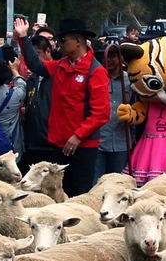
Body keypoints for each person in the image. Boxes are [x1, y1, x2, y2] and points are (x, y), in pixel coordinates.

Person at [15, 16, 111, 196]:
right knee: (58, 191)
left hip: (83, 146)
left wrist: (77, 136)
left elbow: (101, 113)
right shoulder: (61, 65)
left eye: (63, 40)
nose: (59, 44)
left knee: (80, 192)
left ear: (78, 40)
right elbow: (36, 65)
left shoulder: (95, 71)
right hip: (59, 143)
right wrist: (23, 38)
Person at [96, 42, 134, 179]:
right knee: (96, 182)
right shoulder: (97, 77)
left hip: (122, 141)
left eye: (113, 56)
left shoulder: (129, 79)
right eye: (106, 56)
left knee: (118, 181)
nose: (109, 60)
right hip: (99, 140)